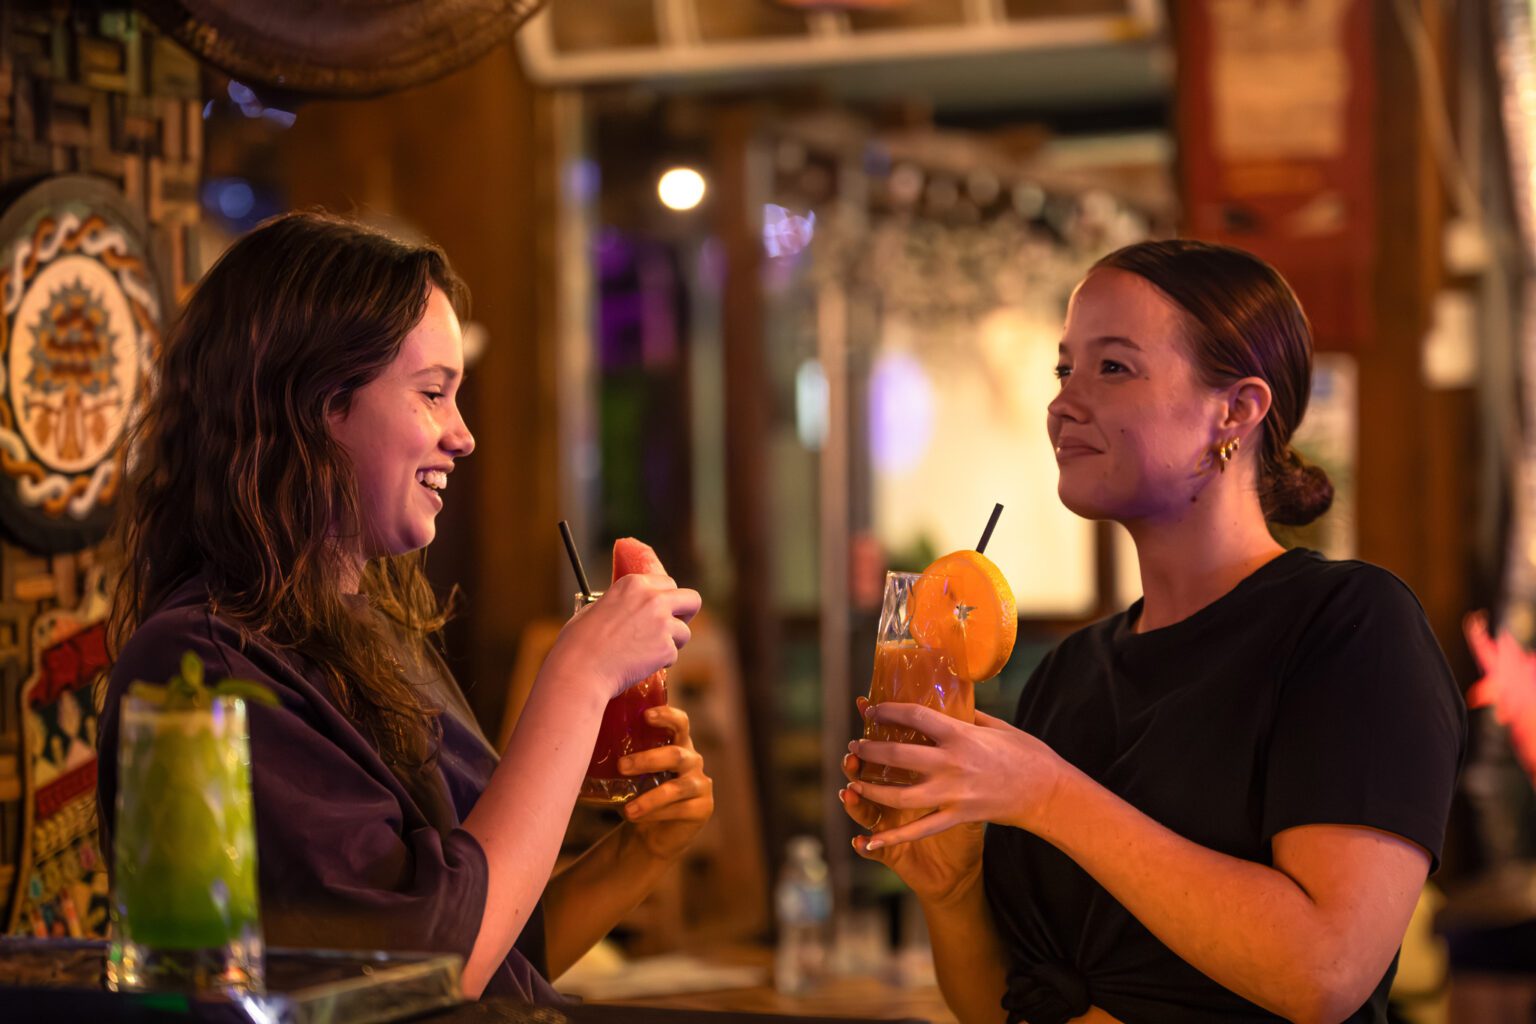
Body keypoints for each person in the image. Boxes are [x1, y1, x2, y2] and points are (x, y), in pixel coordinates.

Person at [841, 239, 1467, 1024]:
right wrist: (956, 888)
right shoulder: (1069, 671)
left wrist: (1048, 796)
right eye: (1064, 369)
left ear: (1236, 409)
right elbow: (1004, 1005)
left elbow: (1324, 972)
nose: (1063, 403)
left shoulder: (1350, 626)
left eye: (1113, 368)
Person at [96, 211, 709, 1002]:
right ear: (318, 402)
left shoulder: (365, 631)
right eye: (432, 394)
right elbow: (431, 967)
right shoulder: (203, 662)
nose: (463, 436)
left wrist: (641, 851)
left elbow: (502, 949)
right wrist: (580, 674)